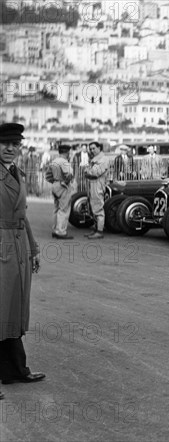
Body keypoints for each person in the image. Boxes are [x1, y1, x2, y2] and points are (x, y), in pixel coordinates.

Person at [0, 123, 45, 397]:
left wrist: (33, 247)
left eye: (15, 144)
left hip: (16, 248)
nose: (9, 148)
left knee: (12, 310)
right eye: (4, 143)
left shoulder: (16, 172)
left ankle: (14, 370)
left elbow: (22, 214)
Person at [47, 144, 74, 239]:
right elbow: (70, 174)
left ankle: (55, 230)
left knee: (56, 208)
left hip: (55, 184)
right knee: (64, 209)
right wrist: (65, 182)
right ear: (67, 152)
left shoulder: (54, 161)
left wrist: (55, 182)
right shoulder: (64, 162)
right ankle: (61, 231)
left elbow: (47, 176)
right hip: (63, 186)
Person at [84, 141, 109, 239]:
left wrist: (87, 171)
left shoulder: (103, 159)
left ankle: (99, 231)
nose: (92, 150)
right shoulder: (95, 159)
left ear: (99, 148)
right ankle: (96, 228)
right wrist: (88, 171)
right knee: (93, 208)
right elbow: (89, 172)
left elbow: (95, 173)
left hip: (98, 184)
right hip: (93, 184)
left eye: (94, 148)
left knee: (98, 208)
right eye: (90, 149)